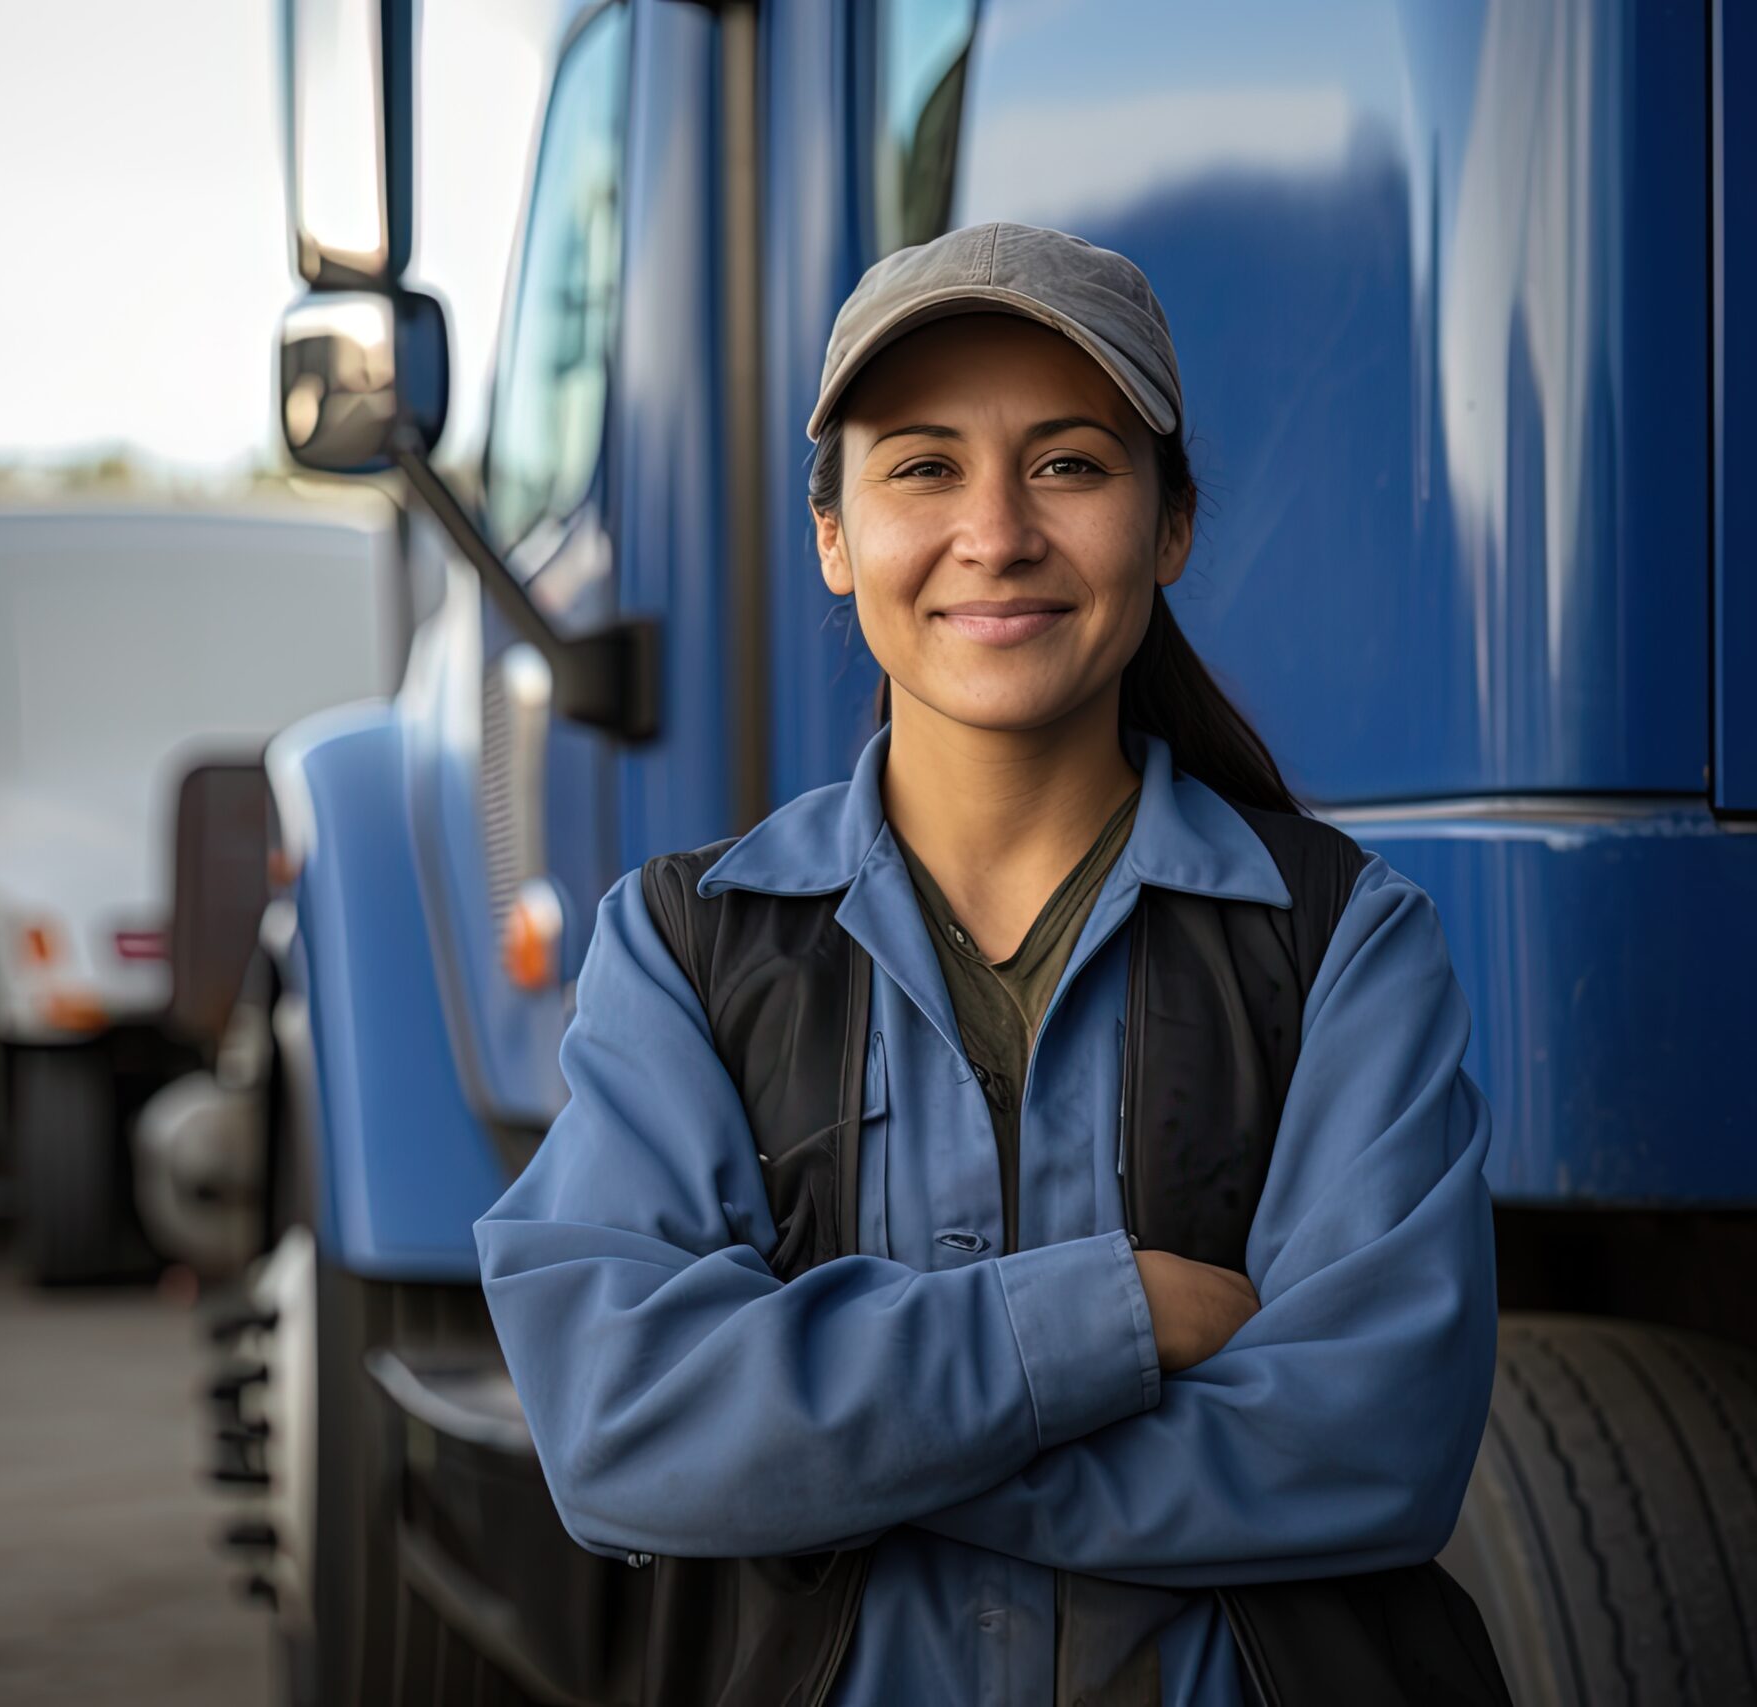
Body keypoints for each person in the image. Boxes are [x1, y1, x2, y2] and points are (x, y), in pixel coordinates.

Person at [475, 222, 1502, 1707]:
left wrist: (816, 1455)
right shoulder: (688, 949)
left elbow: (1370, 1449)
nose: (999, 530)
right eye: (923, 467)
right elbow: (620, 1429)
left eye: (1072, 463)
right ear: (834, 536)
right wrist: (1113, 1321)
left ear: (1169, 525)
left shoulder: (1344, 940)